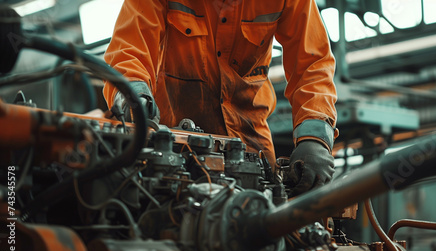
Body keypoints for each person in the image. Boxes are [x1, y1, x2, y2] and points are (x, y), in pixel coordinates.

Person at [103, 0, 339, 195]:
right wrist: (135, 99)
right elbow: (129, 53)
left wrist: (315, 138)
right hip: (173, 145)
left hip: (251, 145)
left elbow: (312, 64)